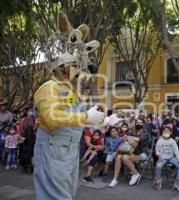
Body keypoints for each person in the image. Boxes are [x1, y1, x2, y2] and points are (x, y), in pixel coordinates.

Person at [33, 12, 105, 200]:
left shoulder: (72, 92)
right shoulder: (49, 87)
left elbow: (76, 115)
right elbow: (51, 118)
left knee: (67, 193)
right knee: (56, 196)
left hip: (69, 150)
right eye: (72, 66)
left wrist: (97, 120)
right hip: (53, 147)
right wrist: (86, 118)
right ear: (61, 68)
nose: (78, 72)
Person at [109, 118, 152, 187]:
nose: (138, 124)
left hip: (143, 153)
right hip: (131, 152)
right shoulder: (133, 133)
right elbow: (126, 141)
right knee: (118, 157)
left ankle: (135, 174)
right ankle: (115, 179)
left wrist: (128, 138)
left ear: (143, 124)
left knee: (124, 157)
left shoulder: (146, 133)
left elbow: (137, 141)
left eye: (140, 123)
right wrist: (126, 140)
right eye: (137, 123)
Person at [153, 126, 179, 192]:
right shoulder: (160, 140)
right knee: (158, 166)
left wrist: (178, 158)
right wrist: (159, 157)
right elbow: (157, 150)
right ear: (162, 132)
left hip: (171, 157)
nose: (166, 132)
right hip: (162, 158)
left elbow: (176, 150)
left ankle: (178, 182)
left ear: (171, 132)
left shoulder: (172, 141)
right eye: (165, 130)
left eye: (168, 131)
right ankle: (158, 180)